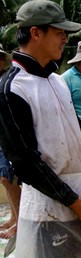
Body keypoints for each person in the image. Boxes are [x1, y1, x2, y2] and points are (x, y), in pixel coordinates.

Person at [0, 0, 81, 257]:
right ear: (36, 33)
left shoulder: (58, 81)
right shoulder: (13, 88)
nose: (64, 40)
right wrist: (72, 201)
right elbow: (24, 161)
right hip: (48, 208)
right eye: (59, 33)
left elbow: (77, 137)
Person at [0, 44, 21, 240]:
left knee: (9, 179)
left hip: (7, 138)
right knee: (4, 180)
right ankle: (15, 216)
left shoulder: (7, 81)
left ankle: (19, 222)